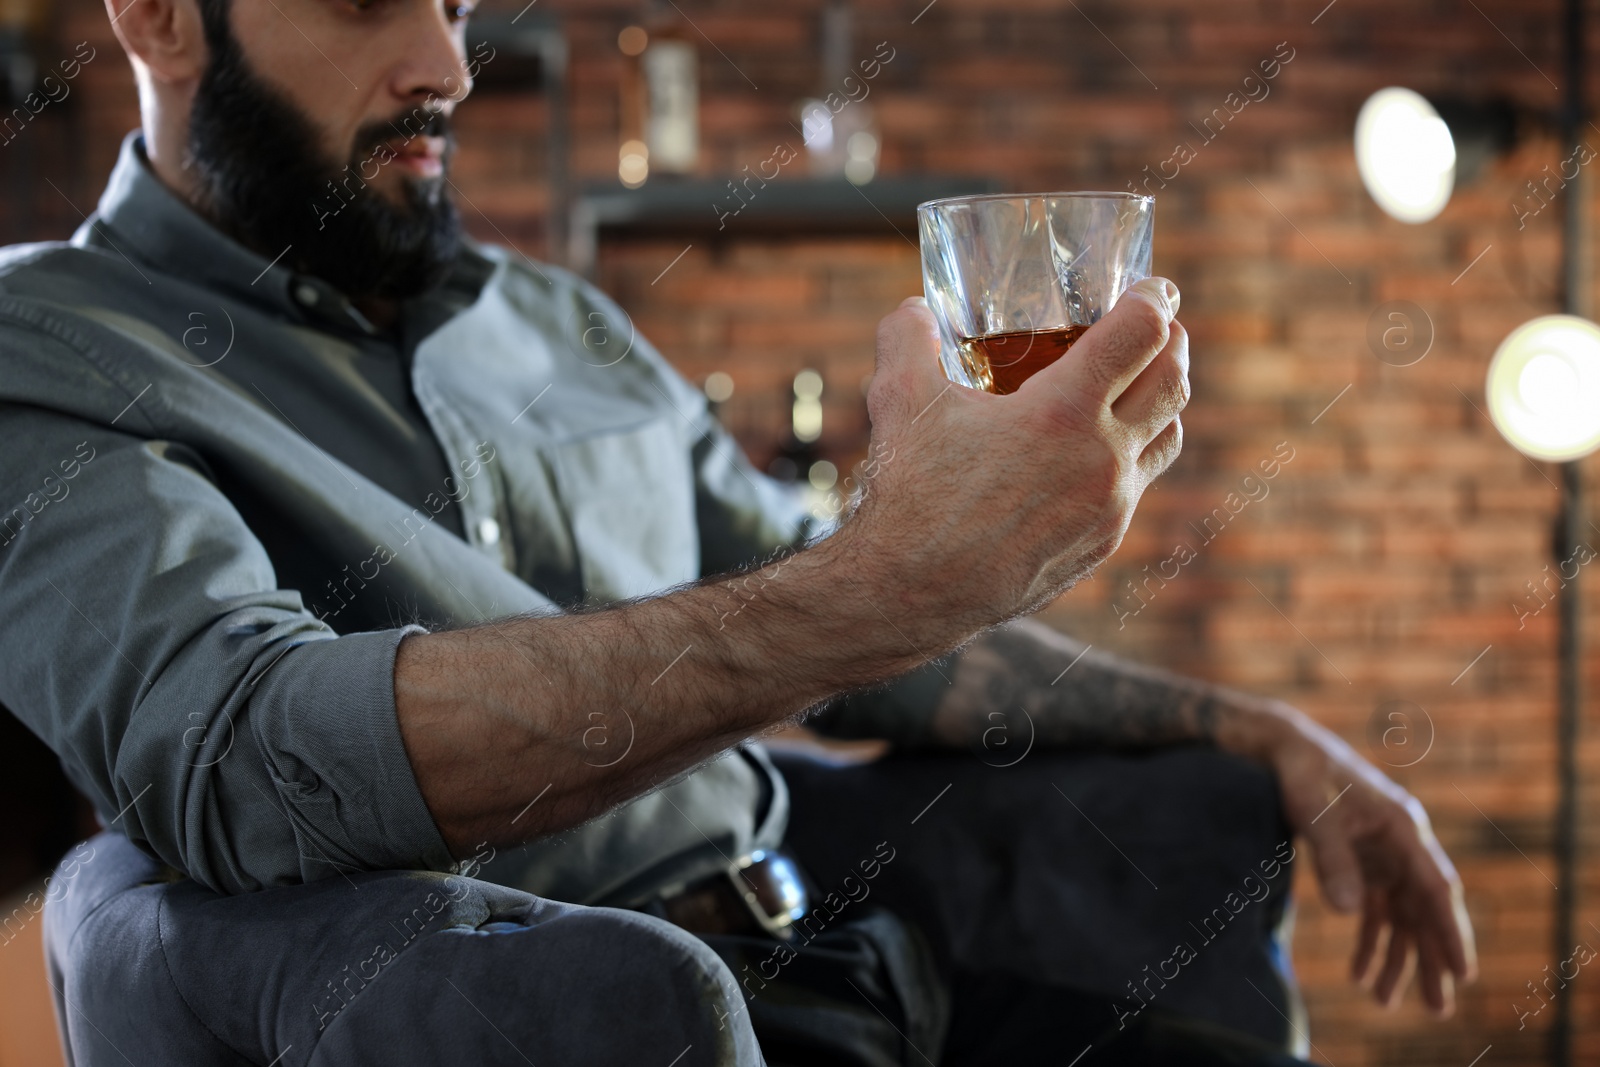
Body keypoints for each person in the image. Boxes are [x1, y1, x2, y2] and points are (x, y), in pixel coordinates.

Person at [0, 0, 1475, 1063]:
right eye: (370, 0)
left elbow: (875, 649)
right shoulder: (46, 343)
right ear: (157, 19)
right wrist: (890, 577)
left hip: (858, 943)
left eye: (455, 2)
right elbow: (237, 756)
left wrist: (1259, 727)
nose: (447, 62)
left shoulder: (562, 324)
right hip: (597, 1009)